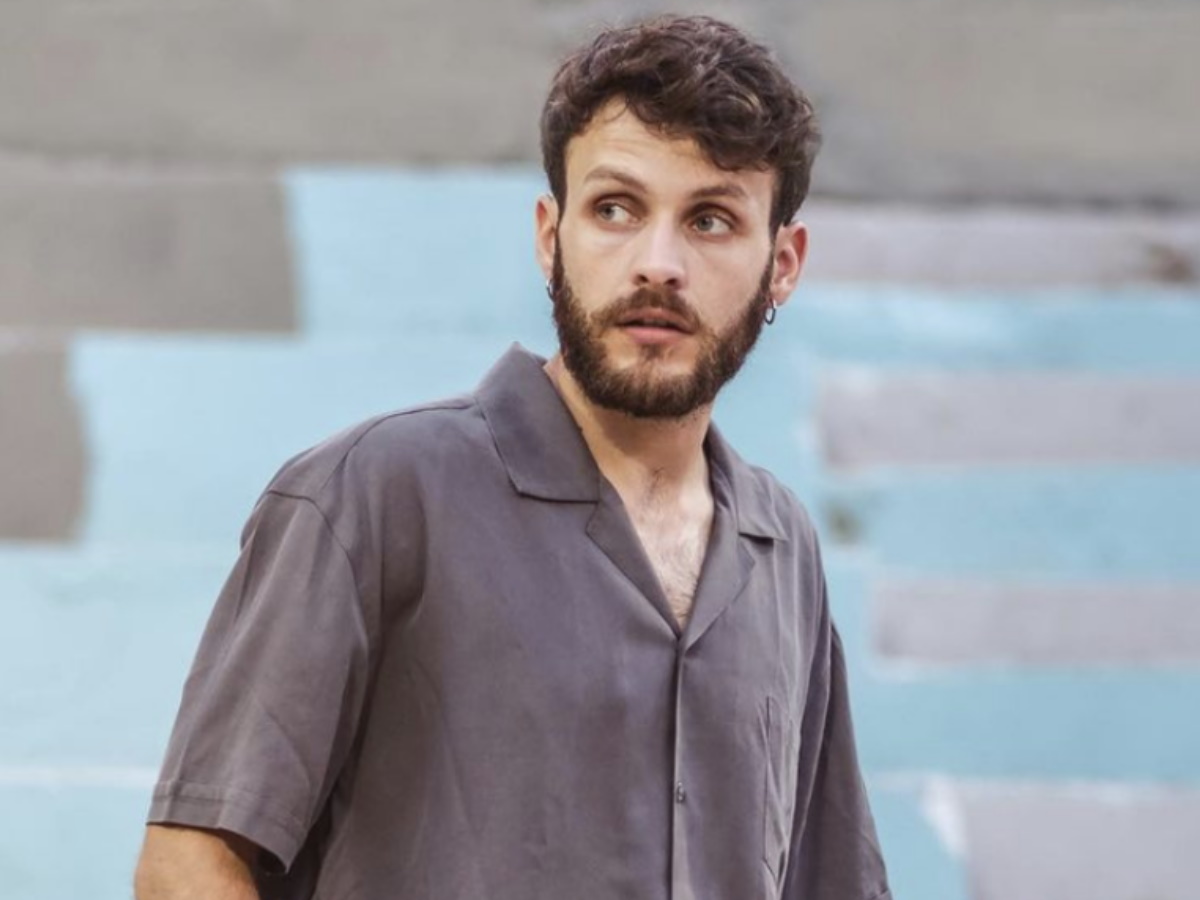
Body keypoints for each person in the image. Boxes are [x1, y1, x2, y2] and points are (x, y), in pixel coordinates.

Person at [134, 14, 891, 900]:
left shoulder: (782, 547)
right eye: (615, 209)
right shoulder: (373, 493)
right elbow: (188, 868)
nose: (659, 265)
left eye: (711, 220)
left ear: (783, 263)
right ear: (549, 235)